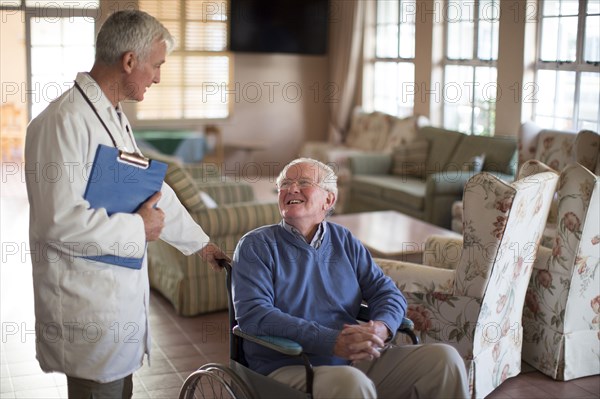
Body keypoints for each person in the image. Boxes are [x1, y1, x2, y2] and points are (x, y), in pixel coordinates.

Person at [24, 10, 228, 398]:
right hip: (87, 306)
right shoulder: (63, 121)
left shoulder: (113, 117)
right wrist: (140, 229)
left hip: (116, 305)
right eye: (157, 65)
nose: (158, 76)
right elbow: (59, 222)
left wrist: (200, 243)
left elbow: (148, 190)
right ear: (130, 61)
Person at [232, 158, 469, 398]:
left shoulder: (344, 240)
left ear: (329, 199)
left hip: (351, 359)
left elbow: (385, 291)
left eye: (303, 182)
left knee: (444, 360)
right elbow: (254, 315)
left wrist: (382, 327)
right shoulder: (256, 245)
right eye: (285, 184)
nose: (292, 189)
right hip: (286, 364)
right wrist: (329, 340)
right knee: (352, 383)